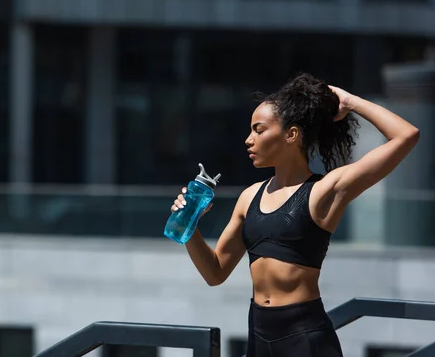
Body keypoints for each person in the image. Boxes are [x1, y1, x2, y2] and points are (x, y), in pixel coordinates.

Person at [170, 73, 420, 357]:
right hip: (258, 335)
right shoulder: (249, 197)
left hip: (305, 337)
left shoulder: (324, 190)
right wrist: (190, 228)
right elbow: (215, 273)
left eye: (259, 130)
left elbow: (406, 135)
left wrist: (350, 102)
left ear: (291, 135)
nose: (248, 140)